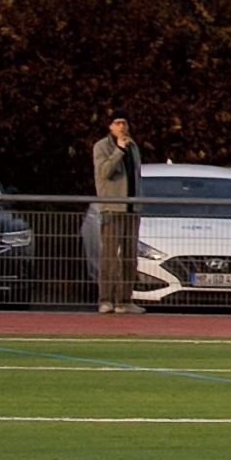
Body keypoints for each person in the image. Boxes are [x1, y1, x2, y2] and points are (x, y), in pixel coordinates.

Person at [91, 111, 145, 313]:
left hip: (131, 209)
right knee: (110, 256)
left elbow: (136, 176)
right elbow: (105, 172)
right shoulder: (102, 146)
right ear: (110, 126)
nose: (121, 126)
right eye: (117, 123)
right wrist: (118, 151)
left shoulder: (133, 146)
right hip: (112, 208)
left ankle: (124, 300)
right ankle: (106, 299)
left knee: (130, 256)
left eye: (124, 122)